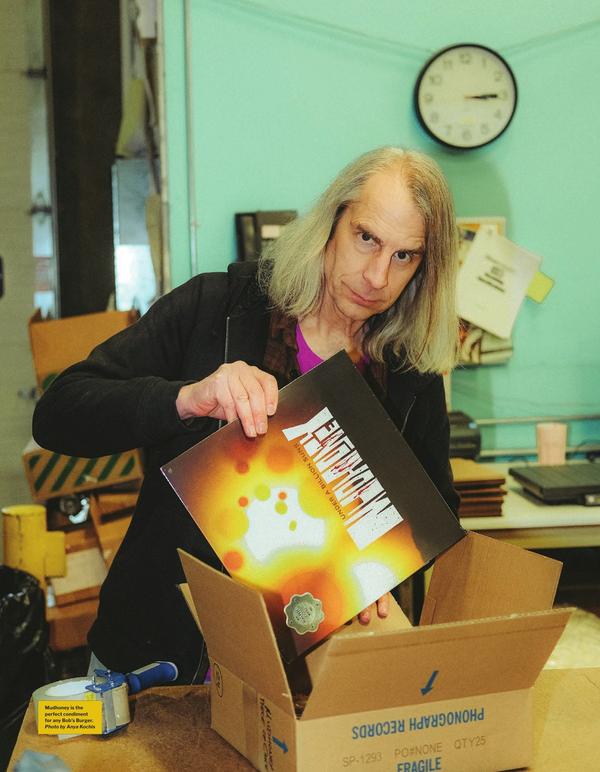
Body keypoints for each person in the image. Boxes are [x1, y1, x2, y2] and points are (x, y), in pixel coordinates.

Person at [33, 146, 460, 683]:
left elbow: (434, 514)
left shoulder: (408, 372)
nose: (377, 276)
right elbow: (59, 413)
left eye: (404, 256)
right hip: (156, 655)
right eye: (367, 238)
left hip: (299, 672)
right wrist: (187, 398)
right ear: (332, 222)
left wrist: (381, 567)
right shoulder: (218, 308)